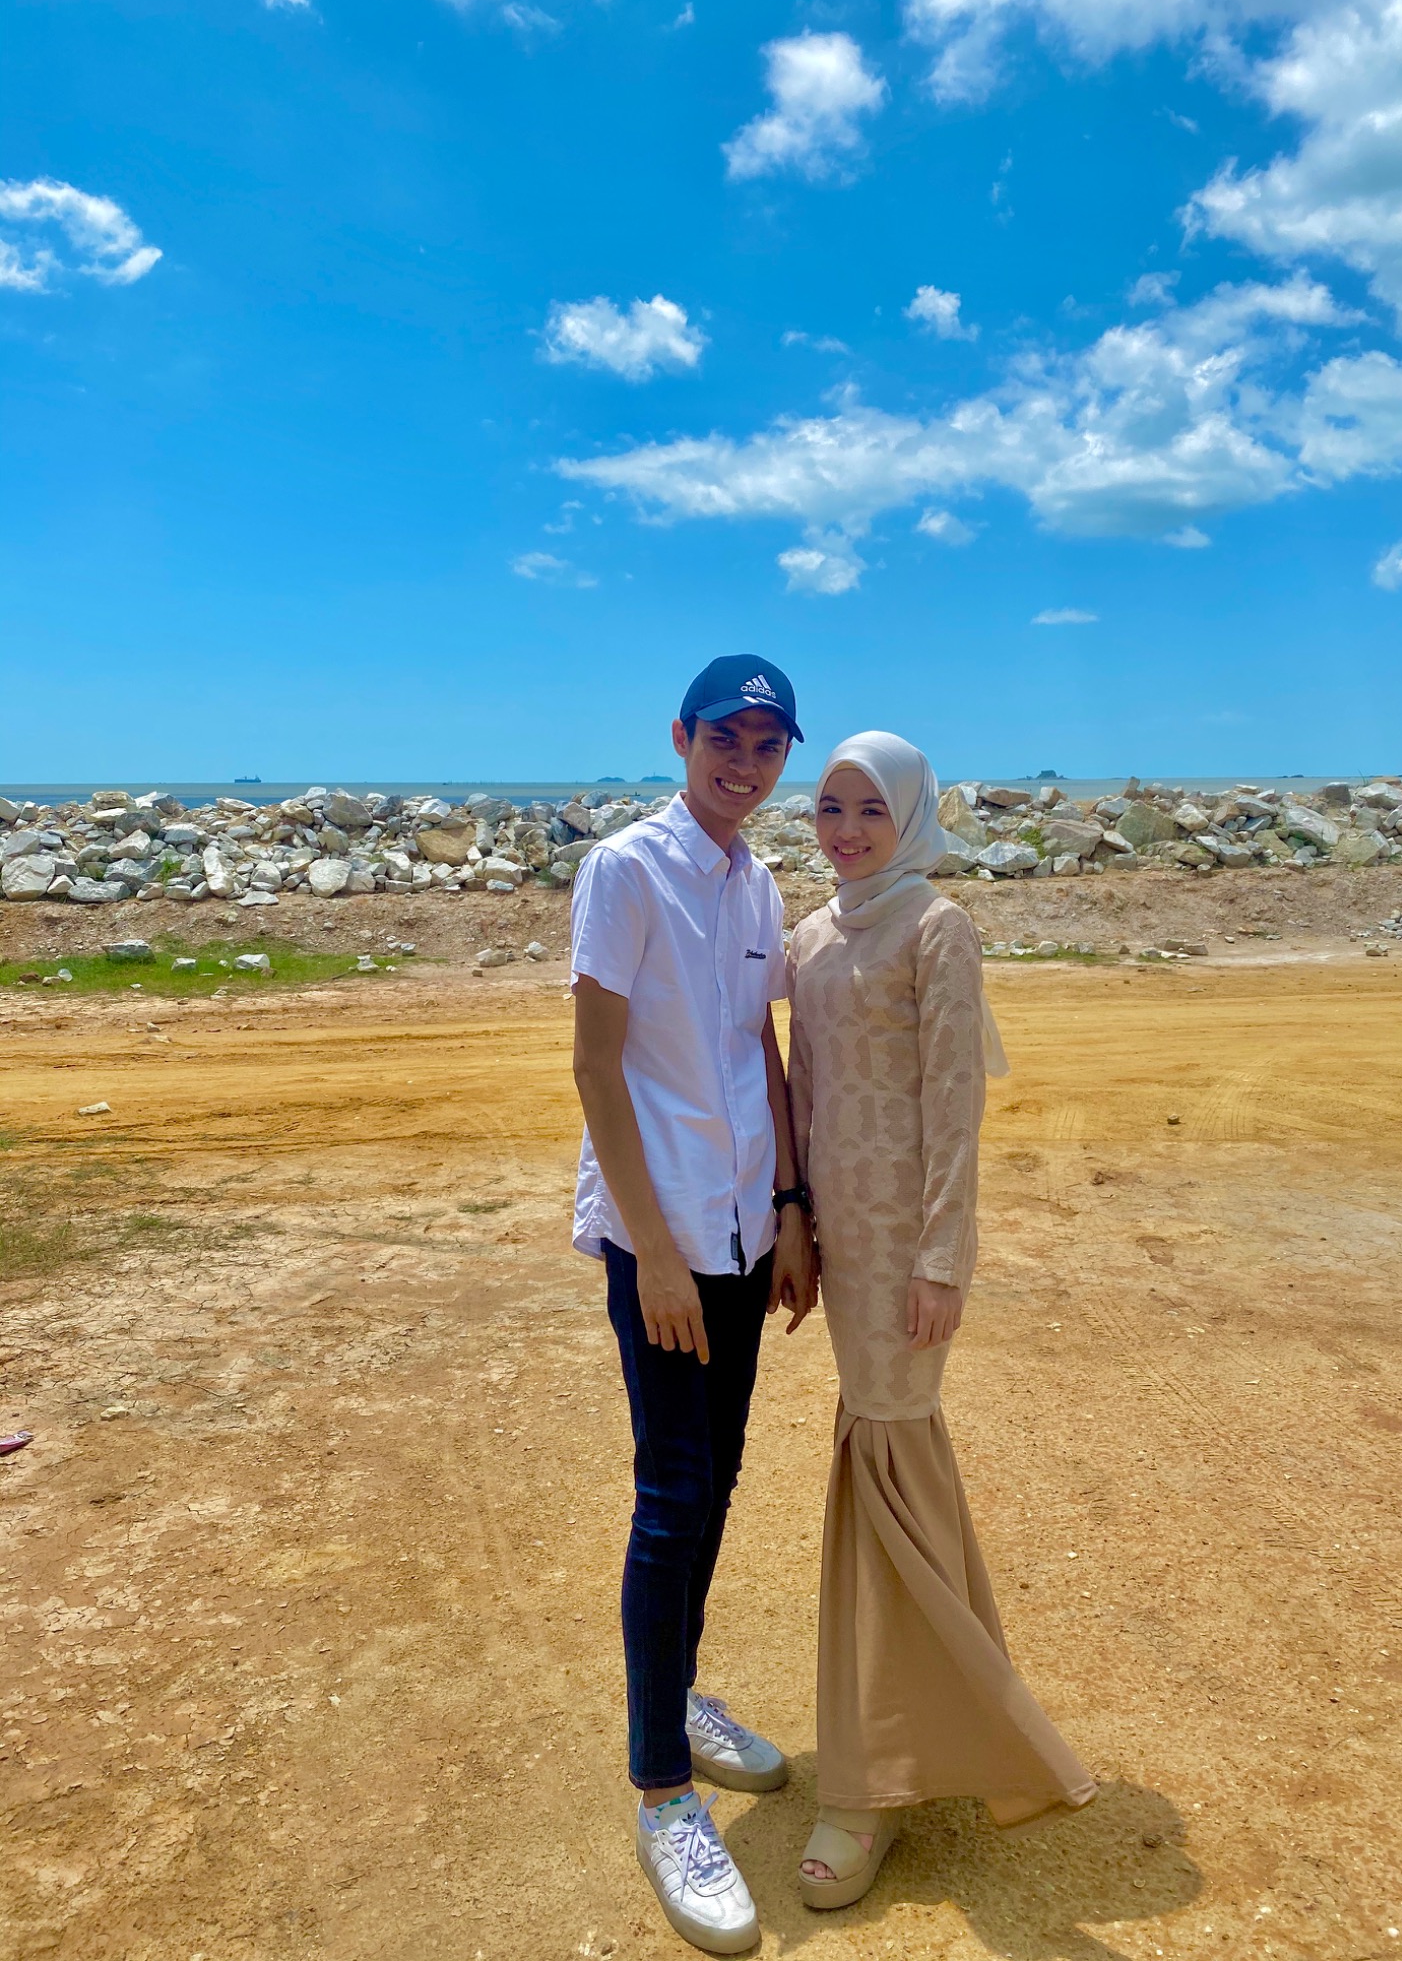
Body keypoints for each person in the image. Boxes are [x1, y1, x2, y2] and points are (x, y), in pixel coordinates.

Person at [786, 730, 1096, 1908]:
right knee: (890, 1472)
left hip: (907, 1257)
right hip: (842, 1250)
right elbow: (802, 1094)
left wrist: (941, 1260)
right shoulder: (810, 935)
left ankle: (872, 1781)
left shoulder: (937, 926)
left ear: (912, 814)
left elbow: (955, 1105)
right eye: (831, 807)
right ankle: (935, 1730)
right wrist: (798, 1225)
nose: (848, 829)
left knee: (885, 1472)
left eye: (871, 808)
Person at [570, 655, 820, 1955]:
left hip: (740, 1228)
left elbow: (756, 1049)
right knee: (671, 1497)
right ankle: (663, 1789)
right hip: (660, 1232)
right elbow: (595, 1063)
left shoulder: (759, 882)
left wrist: (791, 1205)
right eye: (728, 737)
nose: (747, 762)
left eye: (770, 745)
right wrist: (655, 1251)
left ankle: (677, 1694)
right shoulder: (626, 869)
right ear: (682, 736)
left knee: (714, 1481)